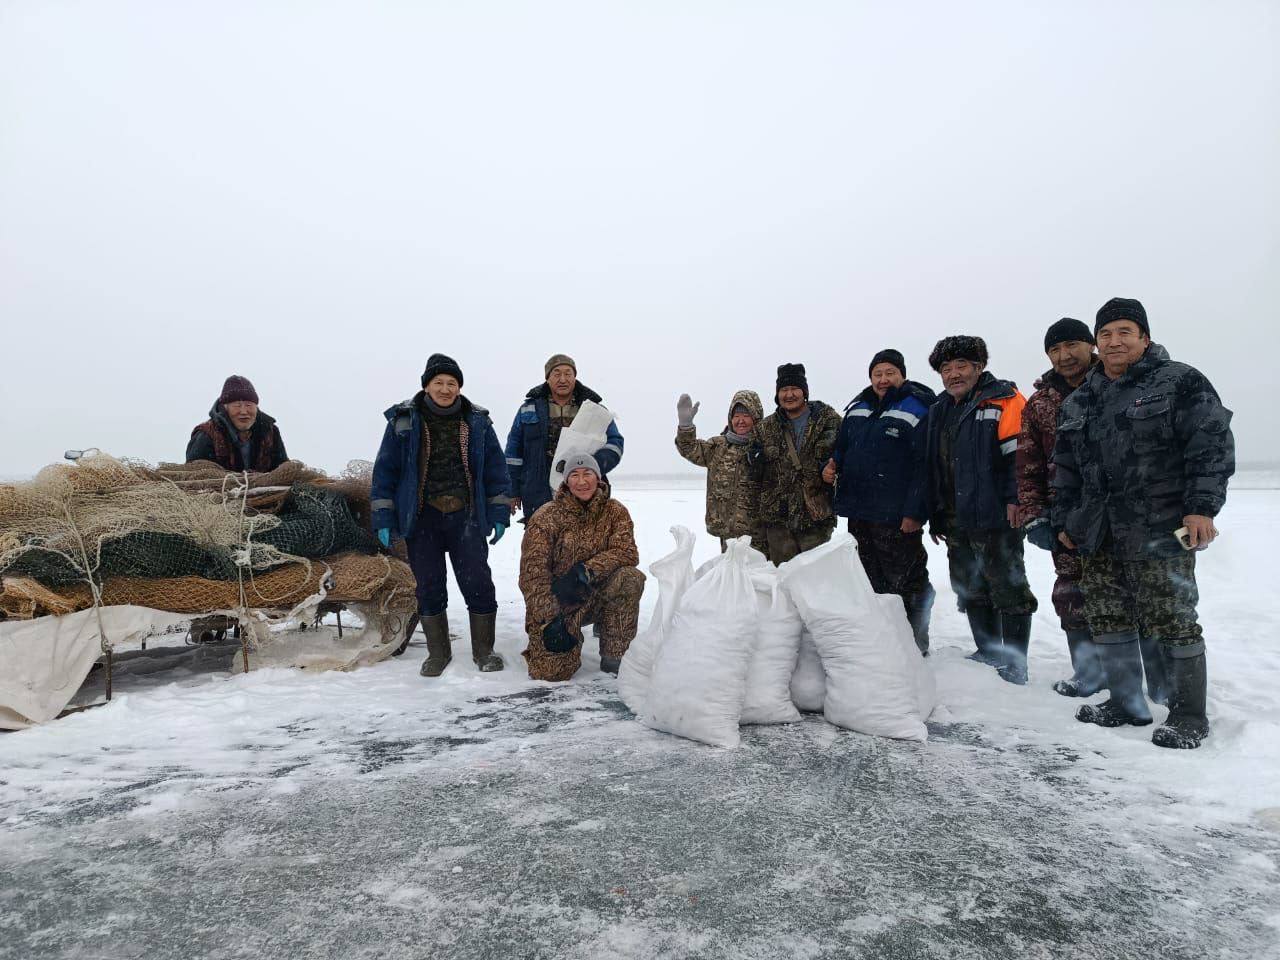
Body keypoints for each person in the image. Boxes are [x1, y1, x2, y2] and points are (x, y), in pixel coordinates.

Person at [1053, 298, 1234, 749]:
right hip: (1099, 530)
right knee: (1108, 617)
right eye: (1106, 334)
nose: (1114, 341)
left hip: (1161, 527)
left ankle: (1189, 714)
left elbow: (1209, 446)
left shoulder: (1180, 382)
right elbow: (1066, 468)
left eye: (1124, 332)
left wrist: (1202, 507)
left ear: (1144, 338)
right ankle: (1125, 702)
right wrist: (1066, 519)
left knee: (1173, 618)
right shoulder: (1081, 399)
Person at [370, 354, 512, 677]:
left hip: (466, 516)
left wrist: (499, 512)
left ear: (459, 388)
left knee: (477, 581)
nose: (446, 389)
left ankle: (484, 650)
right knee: (429, 585)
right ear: (426, 386)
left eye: (452, 383)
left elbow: (496, 470)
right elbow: (385, 473)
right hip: (423, 519)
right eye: (439, 383)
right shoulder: (403, 421)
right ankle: (438, 653)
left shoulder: (477, 422)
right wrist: (383, 520)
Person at [922, 336, 1038, 683]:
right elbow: (935, 466)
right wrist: (938, 513)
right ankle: (988, 651)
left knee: (1008, 585)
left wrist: (1017, 499)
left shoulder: (1006, 400)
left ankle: (1015, 662)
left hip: (997, 513)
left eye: (961, 366)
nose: (953, 374)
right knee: (969, 585)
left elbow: (1021, 457)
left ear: (978, 367)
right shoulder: (940, 409)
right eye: (946, 368)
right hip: (957, 516)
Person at [1017, 319, 1111, 697]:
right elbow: (1028, 464)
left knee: (1126, 595)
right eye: (1054, 349)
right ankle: (1088, 674)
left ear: (1091, 346)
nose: (1064, 355)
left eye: (1072, 345)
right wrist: (1034, 514)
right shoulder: (1040, 403)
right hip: (1065, 518)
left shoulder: (1115, 385)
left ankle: (1142, 678)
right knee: (1071, 595)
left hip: (1119, 514)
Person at [823, 349, 936, 653]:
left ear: (902, 375)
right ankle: (884, 639)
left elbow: (924, 465)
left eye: (890, 373)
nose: (883, 379)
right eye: (878, 373)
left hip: (897, 515)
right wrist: (833, 463)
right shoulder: (858, 408)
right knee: (869, 579)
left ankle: (915, 642)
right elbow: (843, 448)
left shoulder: (918, 407)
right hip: (859, 512)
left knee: (907, 580)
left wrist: (915, 511)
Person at [519, 454, 646, 681]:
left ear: (598, 478)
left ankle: (615, 656)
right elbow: (532, 576)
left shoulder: (615, 511)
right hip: (559, 602)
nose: (581, 481)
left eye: (587, 474)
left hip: (597, 595)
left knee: (630, 577)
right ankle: (566, 636)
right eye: (575, 475)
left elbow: (627, 552)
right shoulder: (546, 517)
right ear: (566, 481)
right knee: (552, 673)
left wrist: (586, 570)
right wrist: (550, 619)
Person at [505, 354, 625, 522]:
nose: (563, 379)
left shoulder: (594, 410)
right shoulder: (528, 409)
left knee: (586, 544)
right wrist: (513, 491)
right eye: (556, 374)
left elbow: (615, 444)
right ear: (547, 378)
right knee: (539, 544)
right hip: (538, 494)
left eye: (568, 373)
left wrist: (593, 465)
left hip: (585, 493)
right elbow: (513, 454)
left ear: (575, 377)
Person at [751, 363, 842, 564]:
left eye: (794, 389)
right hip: (778, 523)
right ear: (777, 394)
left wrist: (831, 470)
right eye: (784, 390)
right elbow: (749, 459)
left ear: (805, 392)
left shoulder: (827, 419)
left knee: (816, 580)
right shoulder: (765, 428)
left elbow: (844, 452)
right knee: (783, 581)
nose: (789, 394)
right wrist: (753, 457)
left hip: (815, 520)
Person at [674, 389, 766, 554]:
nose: (740, 421)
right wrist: (685, 424)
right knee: (730, 578)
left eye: (746, 415)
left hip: (759, 540)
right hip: (727, 537)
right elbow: (689, 448)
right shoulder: (718, 446)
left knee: (757, 578)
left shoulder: (767, 447)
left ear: (756, 416)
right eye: (736, 415)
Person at [185, 375, 288, 472]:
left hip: (265, 491)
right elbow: (194, 476)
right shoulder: (206, 435)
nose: (243, 411)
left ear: (256, 408)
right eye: (237, 405)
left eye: (248, 405)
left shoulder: (270, 432)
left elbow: (283, 468)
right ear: (225, 408)